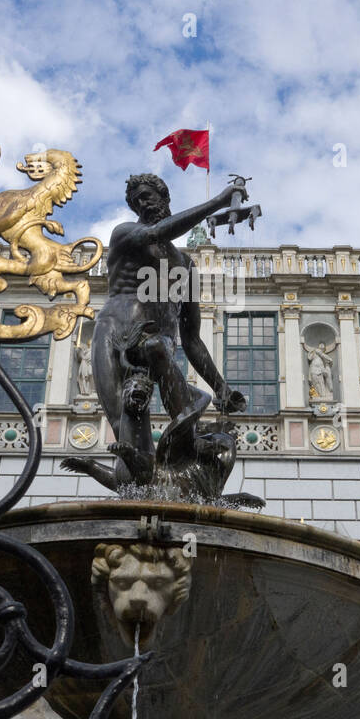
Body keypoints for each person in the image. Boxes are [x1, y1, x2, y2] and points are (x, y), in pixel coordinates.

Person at [88, 173, 246, 486]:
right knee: (127, 435)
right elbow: (159, 232)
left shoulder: (185, 266)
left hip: (156, 345)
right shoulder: (125, 233)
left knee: (168, 434)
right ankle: (139, 505)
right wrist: (218, 202)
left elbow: (191, 339)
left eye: (147, 196)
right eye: (136, 201)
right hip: (115, 333)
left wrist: (220, 387)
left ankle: (182, 483)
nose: (142, 203)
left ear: (164, 198)